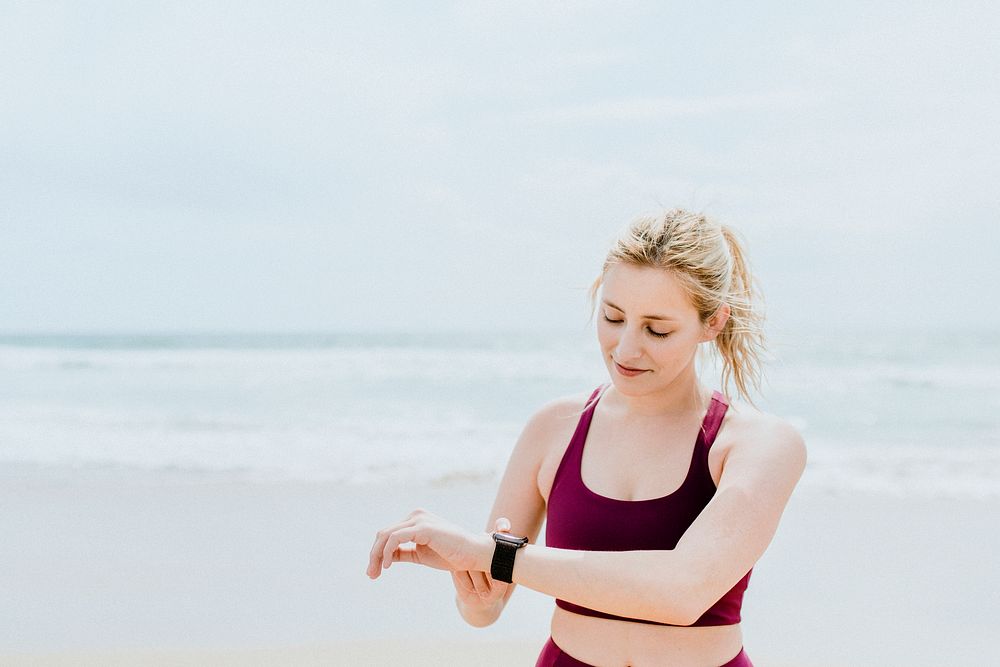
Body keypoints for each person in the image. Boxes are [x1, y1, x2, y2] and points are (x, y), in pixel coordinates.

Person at [366, 208, 807, 666]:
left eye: (657, 329)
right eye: (613, 318)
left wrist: (494, 555)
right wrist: (477, 591)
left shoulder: (759, 443)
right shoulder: (553, 427)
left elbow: (683, 591)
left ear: (713, 322)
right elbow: (486, 606)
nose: (626, 349)